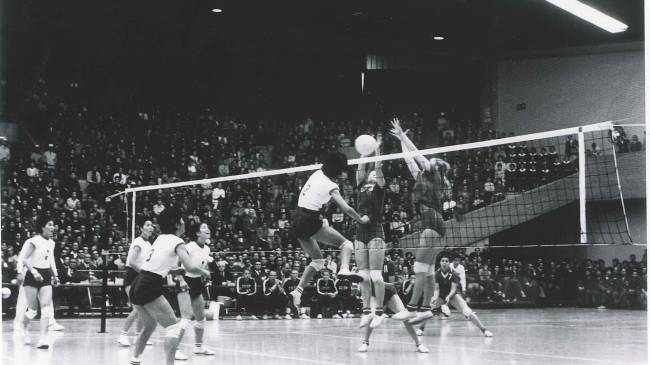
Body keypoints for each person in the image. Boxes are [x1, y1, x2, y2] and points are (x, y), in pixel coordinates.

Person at [128, 207, 210, 365]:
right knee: (173, 328)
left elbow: (160, 265)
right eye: (182, 219)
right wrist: (205, 272)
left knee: (150, 325)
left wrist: (176, 270)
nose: (184, 222)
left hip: (138, 283)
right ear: (177, 223)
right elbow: (192, 267)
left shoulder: (160, 238)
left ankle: (135, 360)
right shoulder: (178, 242)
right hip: (149, 285)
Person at [289, 152, 369, 312]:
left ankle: (297, 291)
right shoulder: (331, 186)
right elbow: (346, 208)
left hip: (296, 219)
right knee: (346, 244)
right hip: (309, 220)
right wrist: (361, 219)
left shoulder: (317, 173)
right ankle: (344, 269)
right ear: (338, 170)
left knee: (318, 261)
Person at [389, 119, 450, 324]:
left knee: (419, 268)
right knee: (429, 270)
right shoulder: (424, 178)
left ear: (436, 167)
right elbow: (409, 159)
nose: (427, 161)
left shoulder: (436, 176)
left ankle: (411, 308)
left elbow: (416, 152)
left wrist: (404, 136)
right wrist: (400, 141)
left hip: (432, 221)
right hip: (433, 222)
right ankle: (426, 309)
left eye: (430, 160)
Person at [354, 134, 388, 328]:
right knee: (363, 275)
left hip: (375, 230)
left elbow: (378, 167)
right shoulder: (361, 183)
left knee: (376, 275)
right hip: (360, 230)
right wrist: (363, 152)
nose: (373, 173)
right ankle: (366, 311)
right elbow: (360, 169)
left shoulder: (381, 186)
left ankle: (380, 311)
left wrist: (376, 149)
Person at [14, 216, 60, 349]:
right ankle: (23, 327)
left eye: (53, 225)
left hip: (45, 275)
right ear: (42, 227)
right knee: (33, 310)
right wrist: (34, 272)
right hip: (32, 275)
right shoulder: (34, 241)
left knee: (46, 308)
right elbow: (25, 259)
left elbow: (49, 261)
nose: (53, 227)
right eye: (49, 224)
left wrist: (55, 276)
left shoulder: (51, 243)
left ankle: (43, 339)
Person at [174, 223, 215, 360]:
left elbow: (203, 265)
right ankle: (174, 349)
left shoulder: (207, 249)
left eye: (207, 227)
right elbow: (177, 264)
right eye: (203, 228)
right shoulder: (189, 246)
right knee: (185, 318)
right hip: (185, 281)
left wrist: (206, 274)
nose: (207, 229)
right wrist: (181, 280)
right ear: (197, 233)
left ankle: (198, 346)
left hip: (197, 283)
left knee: (200, 317)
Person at [429, 254, 493, 338]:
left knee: (467, 311)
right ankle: (420, 329)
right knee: (427, 310)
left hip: (452, 295)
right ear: (440, 263)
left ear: (449, 263)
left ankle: (484, 330)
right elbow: (437, 289)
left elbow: (453, 289)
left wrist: (448, 296)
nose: (444, 263)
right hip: (441, 296)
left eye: (446, 261)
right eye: (442, 261)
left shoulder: (453, 273)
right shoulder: (436, 274)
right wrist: (434, 298)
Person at [358, 283, 429, 353]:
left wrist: (384, 284)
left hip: (389, 292)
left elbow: (391, 284)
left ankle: (419, 344)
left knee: (405, 317)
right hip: (374, 294)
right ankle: (365, 342)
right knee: (371, 316)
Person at [117, 220, 154, 347]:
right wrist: (144, 273)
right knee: (137, 308)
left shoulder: (149, 244)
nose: (150, 227)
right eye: (147, 225)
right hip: (131, 277)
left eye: (151, 225)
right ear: (141, 228)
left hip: (140, 279)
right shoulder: (138, 242)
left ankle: (140, 336)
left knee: (142, 308)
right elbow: (132, 262)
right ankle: (123, 335)